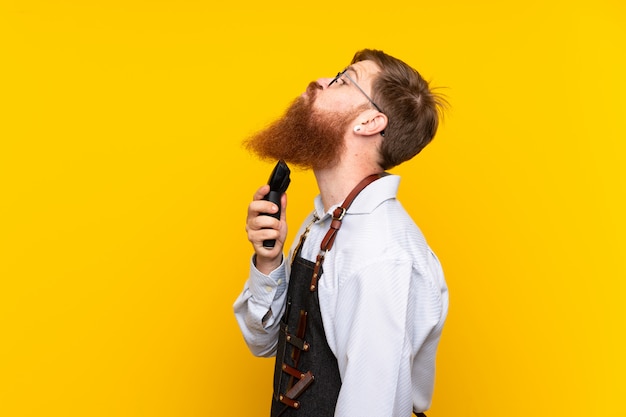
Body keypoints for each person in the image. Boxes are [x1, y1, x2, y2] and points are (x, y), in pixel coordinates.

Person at [233, 49, 449, 417]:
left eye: (342, 79)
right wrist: (269, 261)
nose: (319, 80)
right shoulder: (326, 221)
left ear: (369, 122)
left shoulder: (379, 256)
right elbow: (265, 343)